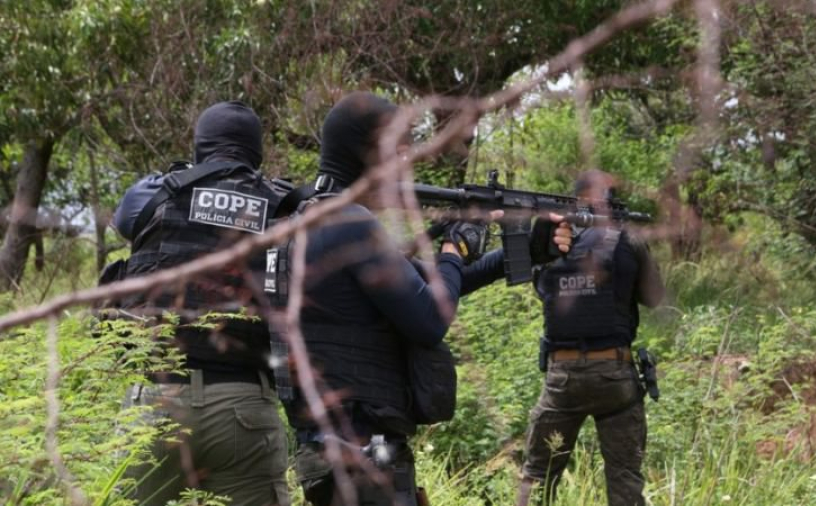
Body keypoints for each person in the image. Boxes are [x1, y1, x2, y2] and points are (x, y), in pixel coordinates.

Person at [273, 91, 572, 506]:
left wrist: (526, 252)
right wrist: (454, 250)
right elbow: (431, 317)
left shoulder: (306, 215)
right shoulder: (351, 223)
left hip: (332, 450)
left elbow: (425, 288)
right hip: (364, 454)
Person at [112, 101, 290, 506]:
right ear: (256, 153)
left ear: (200, 149)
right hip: (243, 405)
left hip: (157, 401)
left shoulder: (155, 195)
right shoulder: (279, 206)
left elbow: (125, 219)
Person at [516, 170, 665, 506]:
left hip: (563, 377)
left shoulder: (553, 242)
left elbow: (544, 292)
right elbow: (655, 298)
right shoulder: (628, 239)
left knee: (538, 476)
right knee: (625, 478)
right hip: (615, 375)